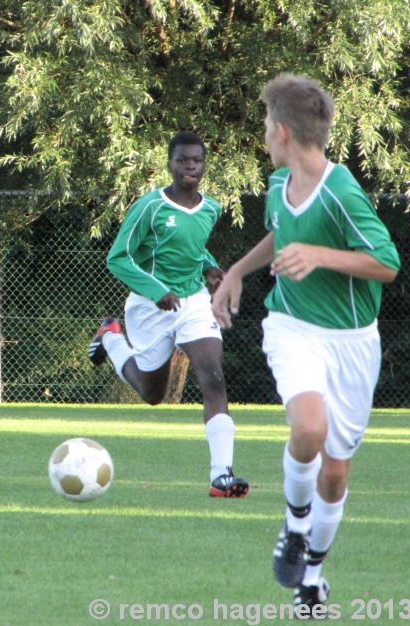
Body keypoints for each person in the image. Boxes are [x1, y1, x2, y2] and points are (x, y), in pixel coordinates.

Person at [211, 74, 400, 616]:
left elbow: (386, 263)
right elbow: (280, 234)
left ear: (285, 131)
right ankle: (294, 526)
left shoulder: (341, 192)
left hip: (353, 344)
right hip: (292, 327)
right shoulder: (278, 186)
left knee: (336, 473)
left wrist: (319, 254)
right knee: (308, 429)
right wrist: (237, 273)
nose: (264, 134)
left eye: (267, 125)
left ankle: (312, 576)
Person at [88, 131, 249, 498]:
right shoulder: (150, 206)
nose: (190, 165)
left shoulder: (211, 207)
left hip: (192, 302)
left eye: (197, 160)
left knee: (213, 374)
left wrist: (209, 267)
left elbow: (193, 248)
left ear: (204, 165)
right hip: (150, 308)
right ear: (170, 164)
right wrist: (155, 290)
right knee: (152, 394)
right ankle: (111, 337)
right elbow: (118, 258)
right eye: (182, 160)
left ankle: (221, 476)